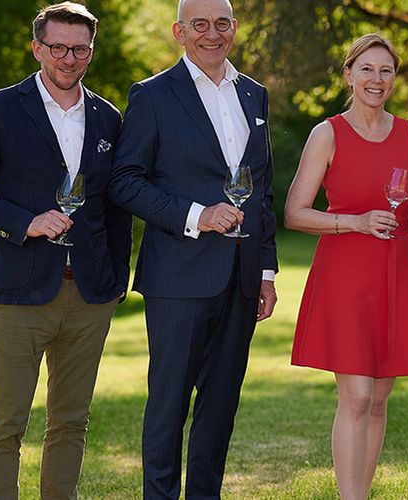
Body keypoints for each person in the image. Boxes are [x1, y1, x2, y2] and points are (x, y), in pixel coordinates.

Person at [0, 3, 132, 498]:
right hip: (19, 292)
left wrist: (116, 279)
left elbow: (116, 206)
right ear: (37, 48)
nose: (70, 58)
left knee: (71, 422)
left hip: (90, 295)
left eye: (81, 49)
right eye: (59, 48)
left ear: (91, 51)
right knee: (6, 424)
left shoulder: (108, 118)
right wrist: (24, 223)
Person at [106, 0, 278, 497]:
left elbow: (262, 189)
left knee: (220, 407)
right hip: (177, 277)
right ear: (179, 32)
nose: (212, 34)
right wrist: (195, 216)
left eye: (221, 23)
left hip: (241, 277)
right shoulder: (153, 95)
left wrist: (266, 271)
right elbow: (124, 181)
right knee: (169, 406)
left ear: (234, 28)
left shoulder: (254, 94)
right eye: (199, 24)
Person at [285, 33, 408, 500]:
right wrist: (355, 222)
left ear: (394, 79)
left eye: (386, 70)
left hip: (395, 273)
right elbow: (295, 213)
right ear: (349, 74)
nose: (377, 79)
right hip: (345, 274)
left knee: (378, 400)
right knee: (356, 396)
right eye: (367, 69)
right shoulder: (327, 134)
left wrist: (390, 234)